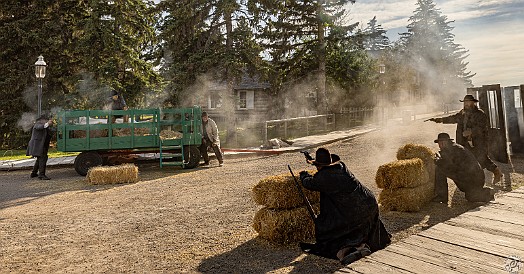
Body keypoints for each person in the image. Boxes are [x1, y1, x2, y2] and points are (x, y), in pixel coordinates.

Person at [299, 148, 391, 265]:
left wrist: (303, 175)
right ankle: (363, 245)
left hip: (356, 210)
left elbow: (309, 183)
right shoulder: (341, 167)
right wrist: (313, 160)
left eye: (317, 165)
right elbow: (325, 169)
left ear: (319, 165)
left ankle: (353, 250)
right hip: (369, 202)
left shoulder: (325, 177)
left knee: (332, 230)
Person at [427, 94, 502, 184]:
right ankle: (470, 180)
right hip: (464, 141)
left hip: (478, 141)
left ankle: (497, 172)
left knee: (482, 159)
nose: (466, 104)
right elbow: (452, 118)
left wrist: (471, 132)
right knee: (467, 159)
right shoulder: (462, 113)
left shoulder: (480, 114)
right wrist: (438, 120)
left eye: (468, 102)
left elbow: (481, 127)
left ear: (473, 103)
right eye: (465, 102)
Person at [433, 132, 494, 203]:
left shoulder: (452, 150)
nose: (440, 145)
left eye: (441, 142)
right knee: (470, 197)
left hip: (471, 179)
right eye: (439, 143)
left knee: (439, 169)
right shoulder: (454, 147)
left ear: (446, 142)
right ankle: (487, 192)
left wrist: (437, 161)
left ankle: (442, 196)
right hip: (474, 178)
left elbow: (448, 165)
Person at [26, 115, 55, 180]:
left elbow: (48, 131)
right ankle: (41, 175)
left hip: (40, 145)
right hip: (37, 145)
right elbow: (41, 127)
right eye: (46, 120)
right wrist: (48, 123)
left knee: (39, 159)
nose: (46, 121)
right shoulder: (37, 124)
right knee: (43, 158)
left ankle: (34, 173)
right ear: (42, 120)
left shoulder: (42, 124)